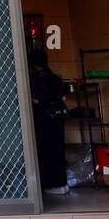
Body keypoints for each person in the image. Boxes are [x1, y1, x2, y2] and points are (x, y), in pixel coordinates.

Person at [28, 47, 70, 195]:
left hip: (43, 120)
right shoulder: (56, 77)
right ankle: (62, 183)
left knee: (46, 151)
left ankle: (51, 185)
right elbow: (64, 98)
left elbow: (36, 100)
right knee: (58, 150)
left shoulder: (35, 79)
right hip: (58, 120)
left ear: (33, 63)